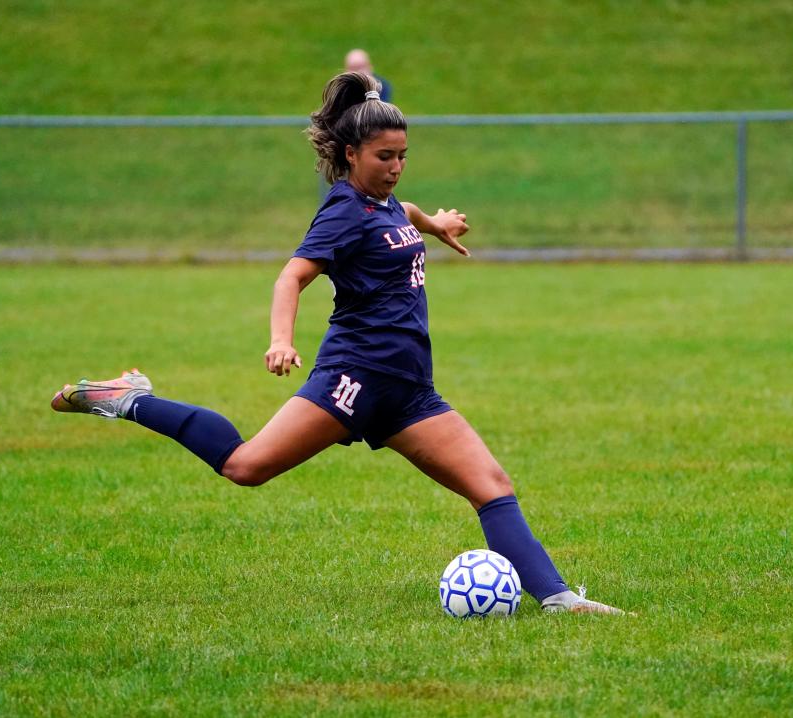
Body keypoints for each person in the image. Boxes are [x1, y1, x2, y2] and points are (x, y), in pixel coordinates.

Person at [51, 71, 627, 616]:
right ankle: (129, 397)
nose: (396, 167)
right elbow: (292, 275)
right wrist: (281, 340)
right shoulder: (343, 209)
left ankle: (558, 599)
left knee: (491, 486)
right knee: (246, 466)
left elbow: (399, 211)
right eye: (384, 157)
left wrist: (434, 222)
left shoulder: (380, 202)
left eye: (403, 155)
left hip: (407, 391)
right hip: (353, 378)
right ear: (351, 155)